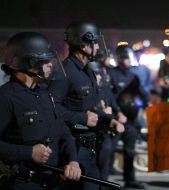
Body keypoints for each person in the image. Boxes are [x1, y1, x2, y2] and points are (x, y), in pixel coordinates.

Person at [0, 32, 81, 190]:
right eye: (45, 60)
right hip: (21, 184)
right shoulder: (6, 97)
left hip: (52, 183)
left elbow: (64, 133)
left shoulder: (44, 94)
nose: (51, 64)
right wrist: (28, 152)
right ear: (28, 61)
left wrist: (73, 161)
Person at [49, 21, 124, 190]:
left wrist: (107, 120)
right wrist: (82, 118)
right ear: (84, 45)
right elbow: (51, 108)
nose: (97, 46)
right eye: (95, 42)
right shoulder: (65, 71)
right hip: (71, 150)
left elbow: (89, 107)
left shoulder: (86, 70)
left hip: (89, 147)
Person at [109, 45, 149, 189]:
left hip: (130, 121)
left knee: (130, 151)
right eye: (124, 57)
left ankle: (130, 180)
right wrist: (117, 112)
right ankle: (103, 180)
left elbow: (143, 94)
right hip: (115, 120)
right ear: (118, 58)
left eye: (128, 57)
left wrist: (146, 104)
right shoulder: (111, 74)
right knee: (109, 149)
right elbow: (109, 97)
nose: (127, 60)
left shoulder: (133, 76)